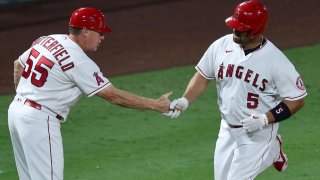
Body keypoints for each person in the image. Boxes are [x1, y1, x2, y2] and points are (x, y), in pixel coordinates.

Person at [8, 7, 172, 180]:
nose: (102, 37)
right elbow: (113, 96)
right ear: (85, 31)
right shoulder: (78, 60)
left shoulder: (48, 40)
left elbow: (18, 64)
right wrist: (156, 104)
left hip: (15, 113)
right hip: (38, 121)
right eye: (99, 32)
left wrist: (24, 98)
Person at [165, 0, 307, 179]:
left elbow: (296, 100)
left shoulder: (276, 61)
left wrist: (265, 119)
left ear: (255, 32)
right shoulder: (221, 46)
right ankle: (273, 151)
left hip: (258, 134)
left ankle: (270, 147)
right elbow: (203, 76)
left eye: (240, 28)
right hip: (227, 128)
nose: (234, 30)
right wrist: (185, 100)